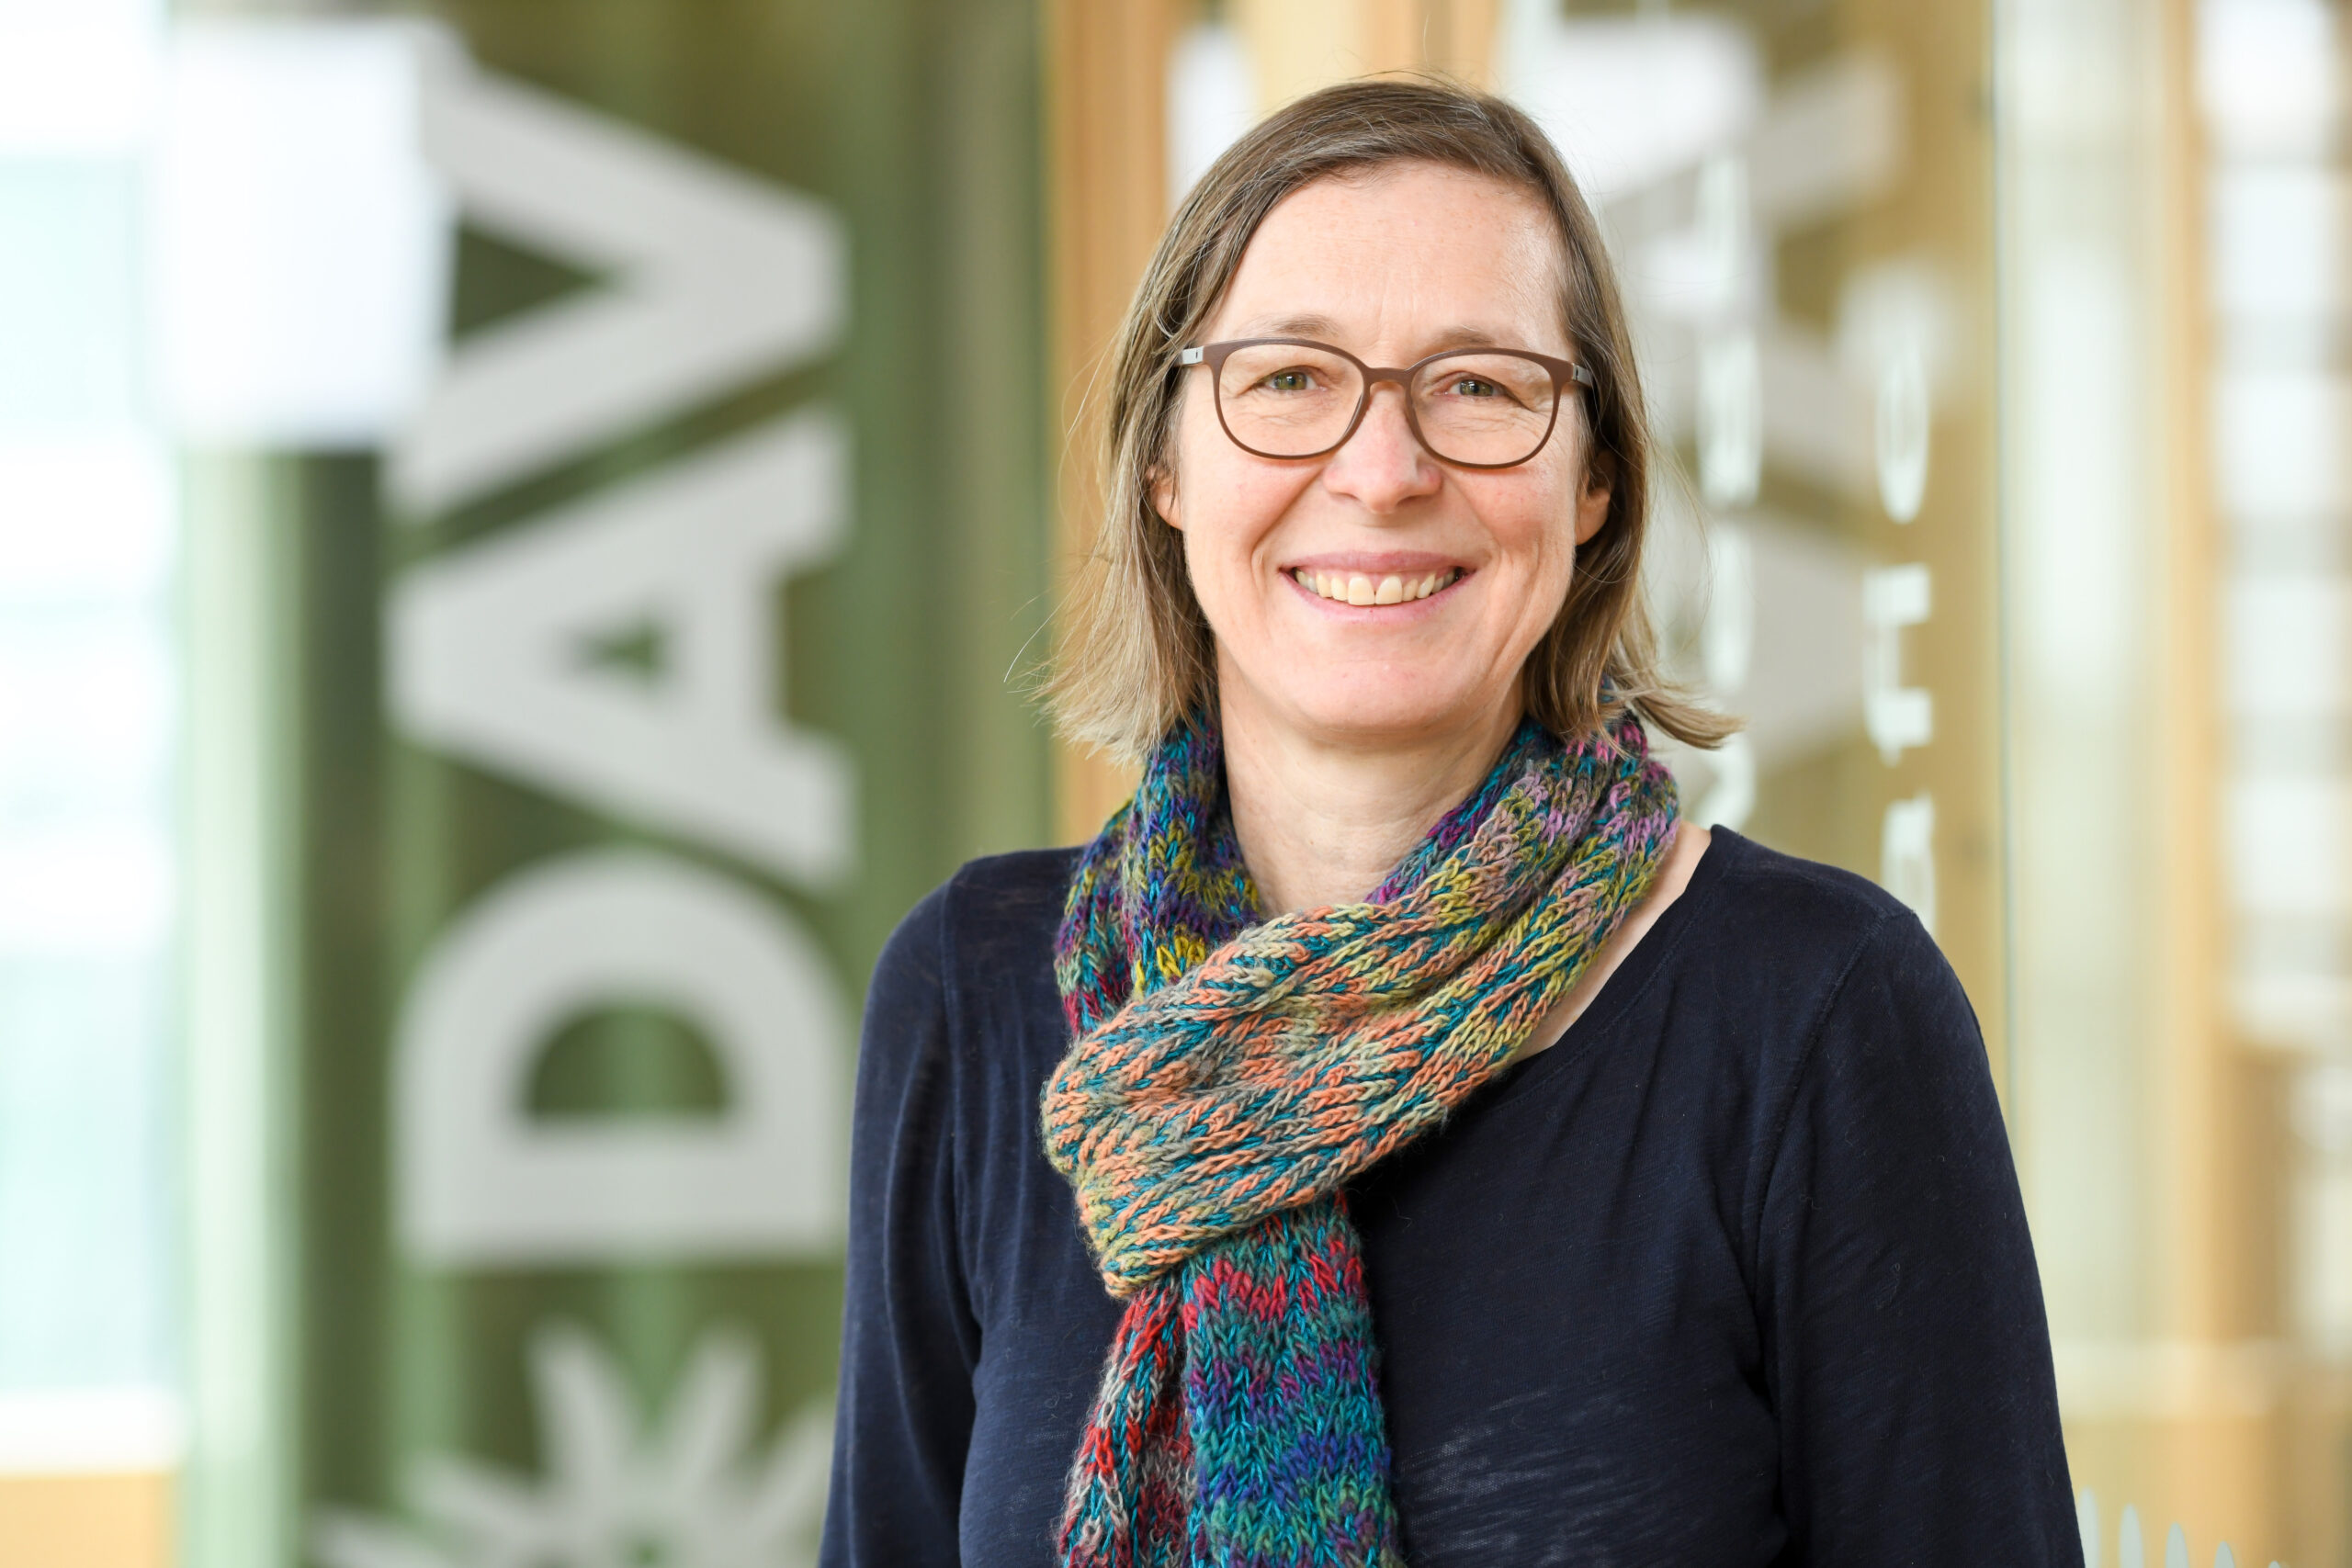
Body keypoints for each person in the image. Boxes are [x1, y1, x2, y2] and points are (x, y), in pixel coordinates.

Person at [821, 77, 2078, 1567]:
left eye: (1480, 386)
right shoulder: (975, 990)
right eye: (1288, 378)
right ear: (1166, 465)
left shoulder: (1816, 1013)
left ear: (1593, 479)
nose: (1383, 469)